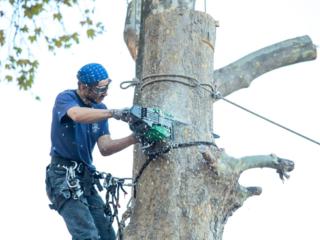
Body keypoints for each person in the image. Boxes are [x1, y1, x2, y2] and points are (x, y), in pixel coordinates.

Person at [45, 63, 137, 240]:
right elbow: (77, 115)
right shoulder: (66, 98)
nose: (105, 94)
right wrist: (114, 113)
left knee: (107, 236)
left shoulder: (100, 110)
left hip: (86, 179)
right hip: (63, 176)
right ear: (82, 86)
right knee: (87, 235)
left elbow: (106, 147)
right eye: (99, 90)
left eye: (106, 88)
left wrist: (134, 138)